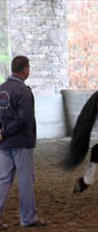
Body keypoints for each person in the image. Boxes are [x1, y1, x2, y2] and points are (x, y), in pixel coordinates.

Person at [0, 56, 47, 229]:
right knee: (26, 180)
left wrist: (2, 133)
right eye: (29, 67)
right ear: (25, 69)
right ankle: (28, 218)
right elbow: (23, 119)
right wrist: (6, 132)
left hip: (4, 143)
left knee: (3, 181)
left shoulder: (2, 89)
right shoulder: (23, 91)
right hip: (21, 141)